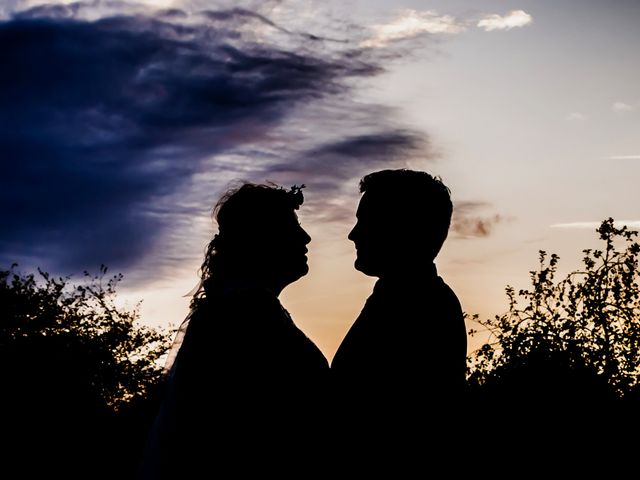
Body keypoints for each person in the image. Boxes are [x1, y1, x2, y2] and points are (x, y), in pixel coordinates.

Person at [138, 182, 329, 479]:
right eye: (290, 228)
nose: (305, 237)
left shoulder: (243, 308)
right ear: (260, 239)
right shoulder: (246, 315)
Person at [331, 169, 467, 435]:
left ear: (400, 227)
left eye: (366, 221)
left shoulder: (420, 307)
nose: (353, 234)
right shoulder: (400, 297)